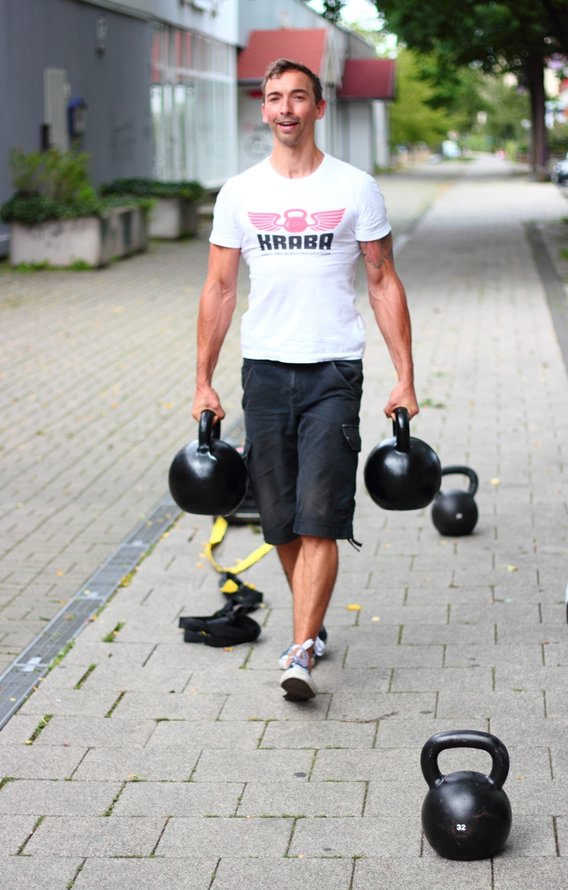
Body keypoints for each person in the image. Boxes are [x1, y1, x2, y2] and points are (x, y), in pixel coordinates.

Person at [192, 58, 419, 701]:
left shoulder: (355, 188)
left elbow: (382, 282)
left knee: (320, 517)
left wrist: (405, 378)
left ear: (320, 108)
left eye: (299, 96)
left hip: (332, 370)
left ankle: (299, 650)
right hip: (263, 370)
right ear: (262, 111)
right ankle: (311, 625)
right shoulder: (240, 193)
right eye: (274, 98)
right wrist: (202, 382)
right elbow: (218, 288)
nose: (286, 107)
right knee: (280, 519)